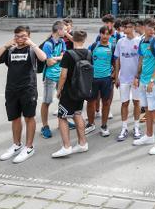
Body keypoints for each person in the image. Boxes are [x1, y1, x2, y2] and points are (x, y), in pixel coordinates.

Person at [0, 26, 47, 163]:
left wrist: (32, 44)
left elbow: (43, 57)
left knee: (29, 117)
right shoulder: (10, 50)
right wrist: (6, 45)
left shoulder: (31, 49)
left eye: (23, 36)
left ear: (28, 37)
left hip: (28, 89)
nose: (19, 39)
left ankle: (29, 147)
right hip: (11, 89)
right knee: (15, 118)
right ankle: (17, 145)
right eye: (17, 36)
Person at [133, 18, 155, 155]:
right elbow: (141, 59)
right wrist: (137, 76)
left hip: (153, 82)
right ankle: (148, 136)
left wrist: (152, 80)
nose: (152, 30)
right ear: (144, 27)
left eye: (154, 28)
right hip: (143, 80)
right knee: (147, 109)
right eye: (149, 27)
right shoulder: (142, 41)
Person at [52, 30, 90, 158]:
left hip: (69, 91)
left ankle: (66, 146)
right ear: (84, 40)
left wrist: (59, 90)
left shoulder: (69, 54)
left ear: (73, 39)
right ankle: (83, 143)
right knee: (78, 114)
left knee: (62, 117)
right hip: (81, 90)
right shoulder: (89, 53)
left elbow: (63, 75)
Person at [114, 18, 142, 141]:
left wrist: (138, 76)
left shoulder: (140, 41)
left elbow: (142, 60)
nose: (125, 29)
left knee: (136, 102)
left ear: (133, 27)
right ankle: (124, 127)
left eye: (127, 27)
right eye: (124, 27)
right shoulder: (120, 42)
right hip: (123, 78)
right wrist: (116, 76)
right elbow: (117, 60)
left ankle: (136, 127)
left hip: (136, 79)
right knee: (124, 103)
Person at [40, 21, 68, 139]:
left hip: (60, 75)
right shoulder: (48, 44)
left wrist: (55, 57)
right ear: (59, 30)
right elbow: (49, 62)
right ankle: (45, 126)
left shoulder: (62, 42)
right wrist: (59, 58)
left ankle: (61, 121)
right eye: (65, 30)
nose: (66, 32)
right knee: (47, 101)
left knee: (62, 100)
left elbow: (64, 56)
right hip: (50, 76)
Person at [86, 27, 116, 137]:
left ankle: (104, 126)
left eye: (107, 34)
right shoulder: (93, 46)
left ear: (110, 35)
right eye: (103, 33)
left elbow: (115, 62)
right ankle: (90, 123)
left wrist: (114, 75)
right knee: (90, 102)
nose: (105, 36)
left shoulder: (112, 47)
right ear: (100, 34)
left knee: (106, 102)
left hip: (106, 79)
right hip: (93, 79)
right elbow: (87, 60)